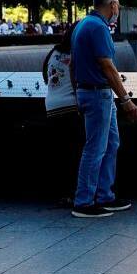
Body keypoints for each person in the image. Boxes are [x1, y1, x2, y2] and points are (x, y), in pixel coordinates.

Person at [70, 0, 136, 219]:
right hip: (99, 95)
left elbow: (71, 64)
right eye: (118, 5)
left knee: (110, 143)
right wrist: (126, 99)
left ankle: (104, 195)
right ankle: (84, 201)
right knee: (96, 148)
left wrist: (77, 92)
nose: (118, 9)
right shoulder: (99, 28)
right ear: (112, 5)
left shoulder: (83, 24)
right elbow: (107, 66)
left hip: (90, 92)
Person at [43, 23, 81, 209]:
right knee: (75, 152)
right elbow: (78, 81)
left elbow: (45, 76)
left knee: (61, 151)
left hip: (51, 106)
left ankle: (62, 194)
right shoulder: (77, 54)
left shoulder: (54, 52)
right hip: (70, 107)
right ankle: (74, 193)